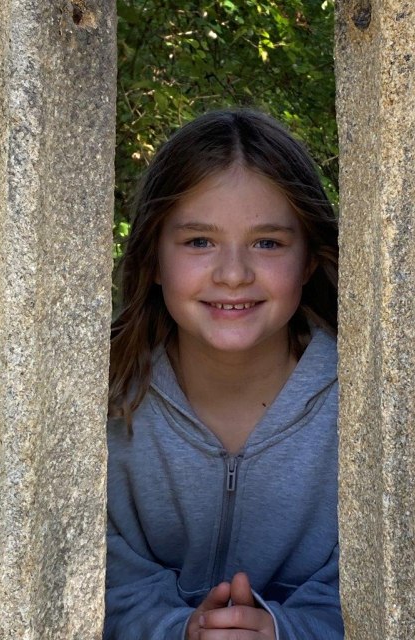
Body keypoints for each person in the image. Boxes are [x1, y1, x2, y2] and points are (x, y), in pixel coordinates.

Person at [105, 109, 343, 640]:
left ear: (308, 258)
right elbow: (98, 575)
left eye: (267, 243)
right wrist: (177, 629)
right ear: (153, 258)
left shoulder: (362, 405)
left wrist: (283, 630)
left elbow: (371, 582)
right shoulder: (106, 400)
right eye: (199, 241)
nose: (233, 274)